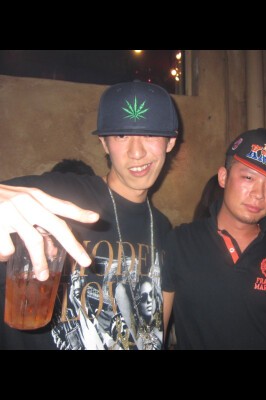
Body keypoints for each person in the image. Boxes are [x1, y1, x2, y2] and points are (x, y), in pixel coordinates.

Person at [0, 80, 178, 350]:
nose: (137, 152)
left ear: (170, 141)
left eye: (151, 134)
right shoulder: (58, 196)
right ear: (104, 143)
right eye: (121, 135)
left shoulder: (163, 227)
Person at [162, 128, 266, 349]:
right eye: (248, 177)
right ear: (223, 177)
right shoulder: (180, 241)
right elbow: (156, 328)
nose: (259, 194)